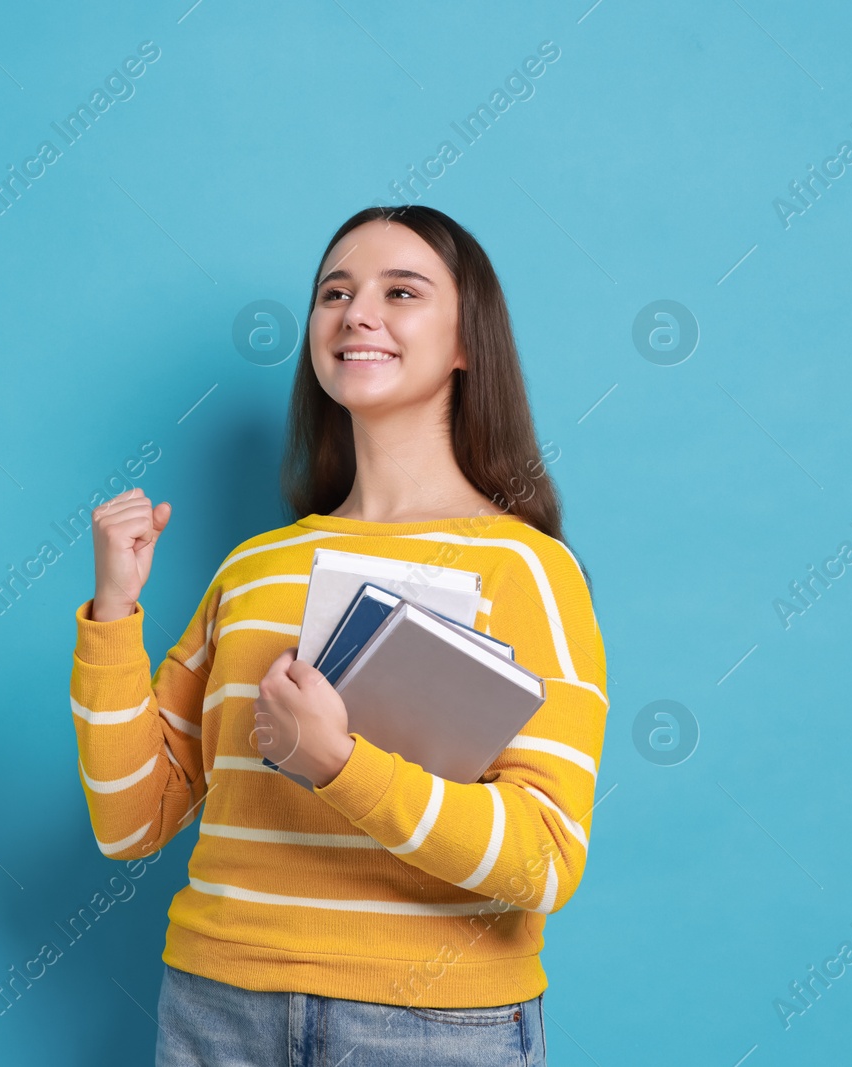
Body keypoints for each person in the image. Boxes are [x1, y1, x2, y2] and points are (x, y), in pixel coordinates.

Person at [69, 204, 607, 1066]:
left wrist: (339, 764)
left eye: (401, 291)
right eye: (335, 292)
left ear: (468, 343)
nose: (357, 313)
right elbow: (132, 820)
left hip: (430, 1026)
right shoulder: (254, 567)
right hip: (217, 1007)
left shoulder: (525, 569)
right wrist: (112, 615)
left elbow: (543, 859)